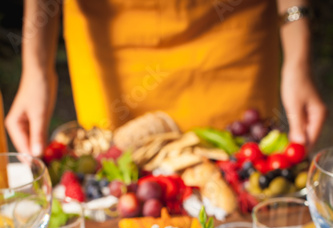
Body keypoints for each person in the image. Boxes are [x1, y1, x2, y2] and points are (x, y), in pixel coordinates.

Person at [5, 0, 327, 157]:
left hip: (231, 29)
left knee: (239, 167)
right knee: (115, 171)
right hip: (110, 33)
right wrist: (35, 66)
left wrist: (297, 59)